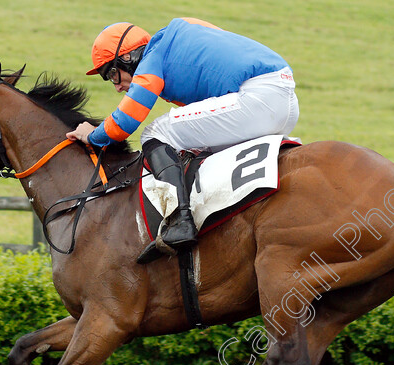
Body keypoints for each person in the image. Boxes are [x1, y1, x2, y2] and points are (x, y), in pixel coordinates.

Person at [66, 19, 299, 263]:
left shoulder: (153, 58)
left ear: (129, 57)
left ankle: (180, 221)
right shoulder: (178, 35)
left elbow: (125, 123)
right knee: (201, 148)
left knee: (155, 133)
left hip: (258, 97)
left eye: (113, 74)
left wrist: (92, 135)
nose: (116, 86)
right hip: (283, 99)